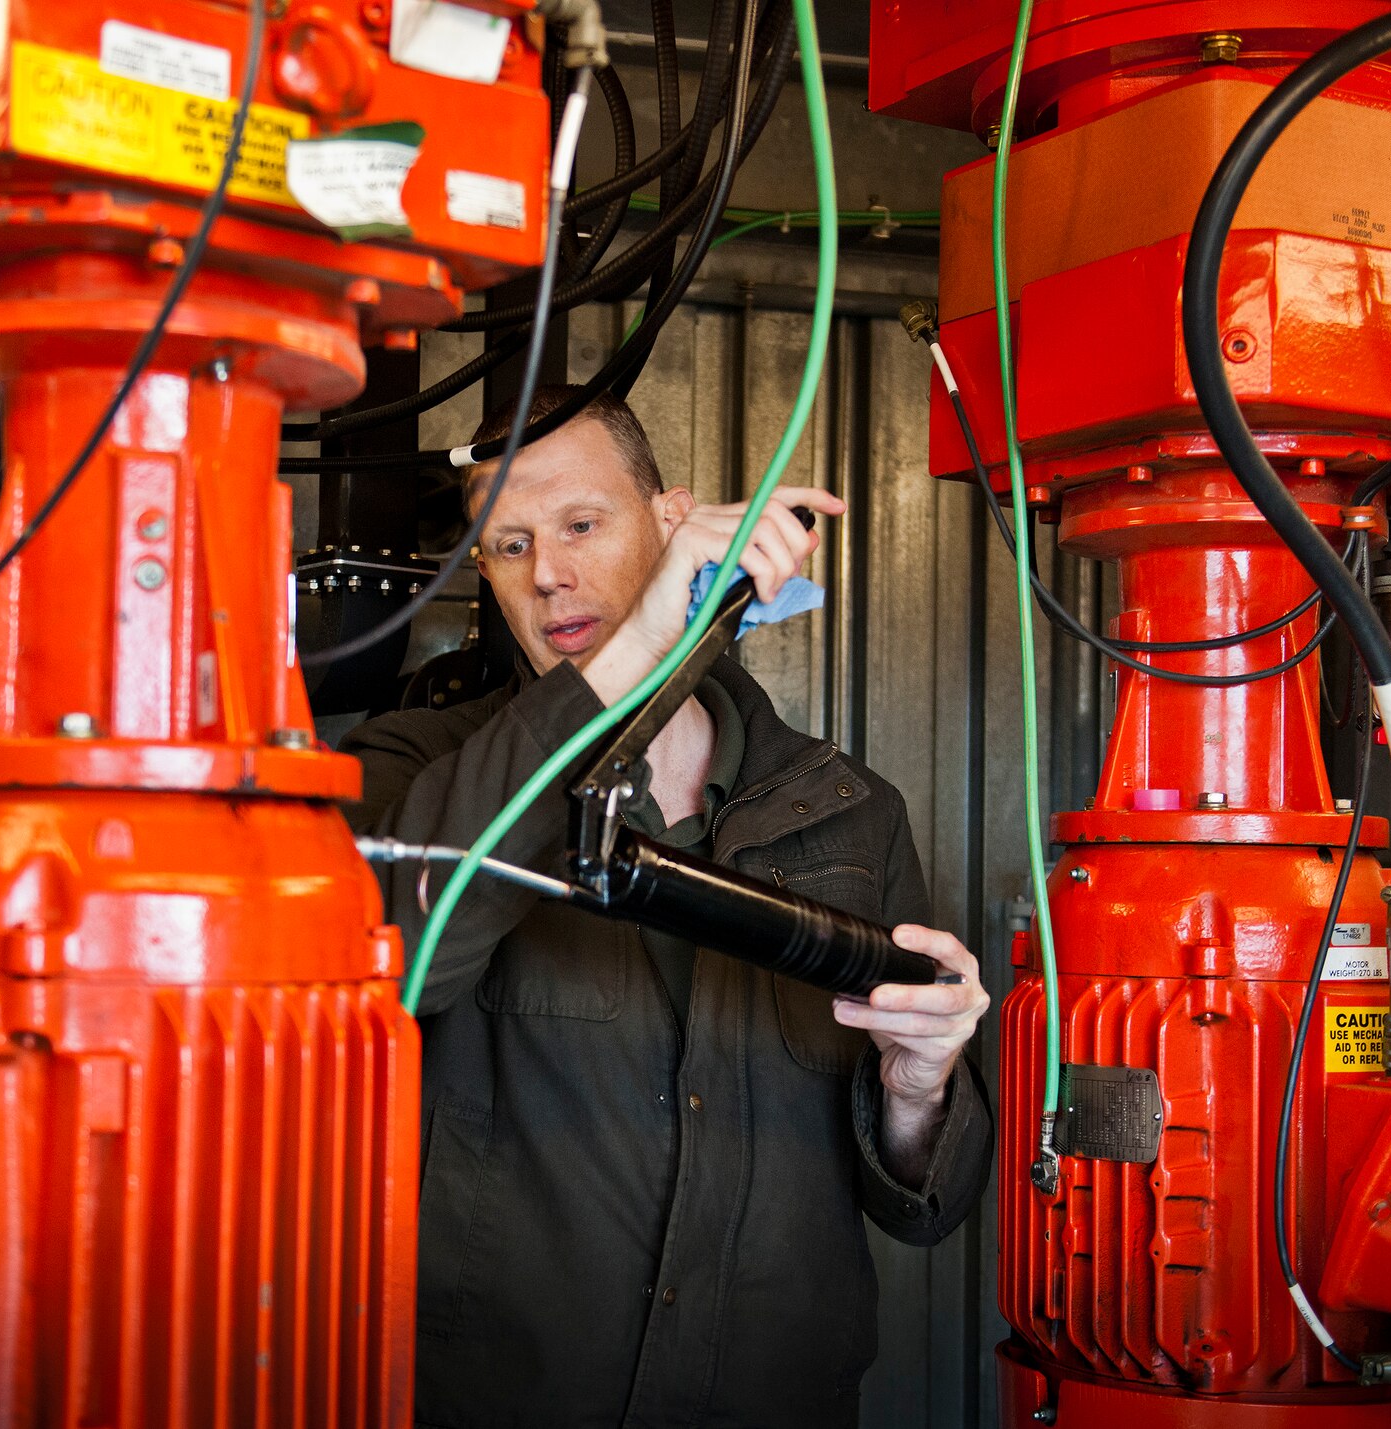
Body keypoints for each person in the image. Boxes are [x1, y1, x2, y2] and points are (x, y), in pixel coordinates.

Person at [342, 387, 993, 1429]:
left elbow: (926, 1204)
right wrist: (634, 645)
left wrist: (918, 1088)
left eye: (580, 524)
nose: (546, 570)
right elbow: (402, 953)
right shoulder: (413, 774)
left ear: (669, 516)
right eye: (508, 545)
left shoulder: (847, 814)